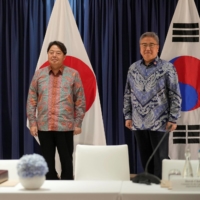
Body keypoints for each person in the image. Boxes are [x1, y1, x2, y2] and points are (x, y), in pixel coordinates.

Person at [123, 32, 182, 179]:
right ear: (139, 47)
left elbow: (175, 95)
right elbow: (127, 94)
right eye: (144, 45)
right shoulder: (133, 68)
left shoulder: (168, 68)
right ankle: (149, 189)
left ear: (157, 48)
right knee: (146, 158)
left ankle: (161, 190)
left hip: (160, 121)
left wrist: (173, 118)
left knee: (160, 159)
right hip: (138, 121)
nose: (147, 48)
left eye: (151, 45)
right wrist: (128, 116)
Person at [27, 41, 86, 180]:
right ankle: (52, 188)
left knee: (66, 160)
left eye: (58, 53)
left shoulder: (73, 74)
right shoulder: (39, 74)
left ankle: (67, 189)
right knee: (47, 161)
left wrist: (78, 123)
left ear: (64, 56)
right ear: (47, 54)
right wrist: (33, 123)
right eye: (51, 52)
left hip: (65, 126)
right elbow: (31, 100)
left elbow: (80, 101)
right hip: (44, 126)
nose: (54, 55)